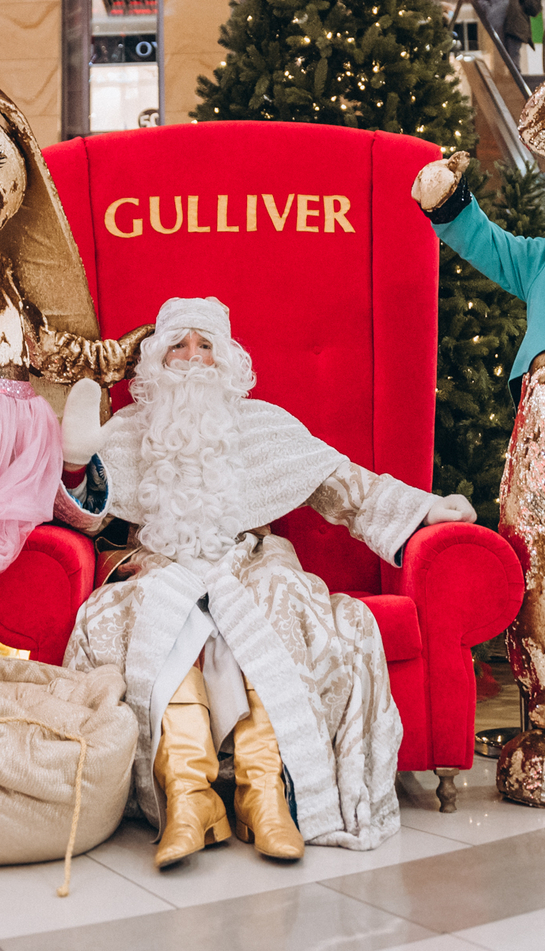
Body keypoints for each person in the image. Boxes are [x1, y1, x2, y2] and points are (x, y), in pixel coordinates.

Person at [57, 297, 476, 869]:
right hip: (156, 565)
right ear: (155, 358)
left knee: (276, 601)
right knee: (147, 608)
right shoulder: (126, 431)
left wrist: (427, 511)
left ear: (227, 359)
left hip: (247, 564)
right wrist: (78, 469)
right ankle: (187, 797)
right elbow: (83, 519)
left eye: (206, 346)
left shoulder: (263, 426)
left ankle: (265, 796)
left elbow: (347, 489)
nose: (191, 358)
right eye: (178, 345)